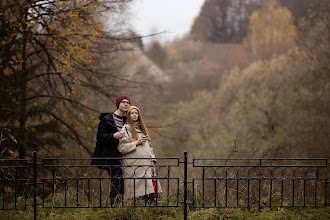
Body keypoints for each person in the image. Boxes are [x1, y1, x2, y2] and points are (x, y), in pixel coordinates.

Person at [91, 95, 130, 204]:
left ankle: (118, 206)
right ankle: (112, 205)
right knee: (117, 181)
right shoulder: (107, 119)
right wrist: (113, 136)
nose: (126, 104)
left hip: (125, 155)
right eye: (123, 102)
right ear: (118, 104)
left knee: (123, 182)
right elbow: (100, 137)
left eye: (128, 102)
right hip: (110, 156)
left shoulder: (127, 120)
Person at [118, 106, 162, 202]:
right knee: (135, 194)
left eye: (136, 113)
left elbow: (150, 148)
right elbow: (121, 148)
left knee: (149, 193)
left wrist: (152, 162)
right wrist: (136, 143)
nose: (134, 115)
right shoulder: (125, 129)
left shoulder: (143, 129)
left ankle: (148, 212)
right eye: (132, 113)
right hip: (134, 167)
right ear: (128, 115)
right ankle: (134, 212)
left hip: (146, 166)